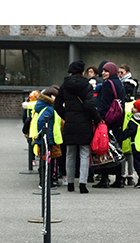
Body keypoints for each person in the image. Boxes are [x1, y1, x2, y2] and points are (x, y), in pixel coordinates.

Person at [55, 60, 101, 193]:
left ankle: (70, 183)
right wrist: (97, 119)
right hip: (85, 123)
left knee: (70, 153)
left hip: (70, 123)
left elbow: (57, 105)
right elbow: (90, 105)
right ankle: (82, 184)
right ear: (82, 72)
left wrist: (66, 116)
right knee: (85, 154)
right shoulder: (87, 85)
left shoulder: (64, 85)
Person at [93, 61, 126, 189]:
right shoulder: (119, 83)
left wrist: (99, 119)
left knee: (105, 148)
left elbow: (104, 104)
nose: (103, 73)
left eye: (106, 71)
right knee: (117, 149)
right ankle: (119, 178)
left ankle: (104, 179)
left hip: (108, 121)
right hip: (117, 120)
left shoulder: (107, 84)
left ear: (111, 71)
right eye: (103, 71)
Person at [31, 86, 60, 188]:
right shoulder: (49, 108)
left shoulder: (42, 105)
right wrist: (46, 136)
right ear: (51, 96)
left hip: (44, 139)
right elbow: (42, 121)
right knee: (47, 161)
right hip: (47, 139)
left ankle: (44, 181)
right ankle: (45, 182)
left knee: (45, 160)